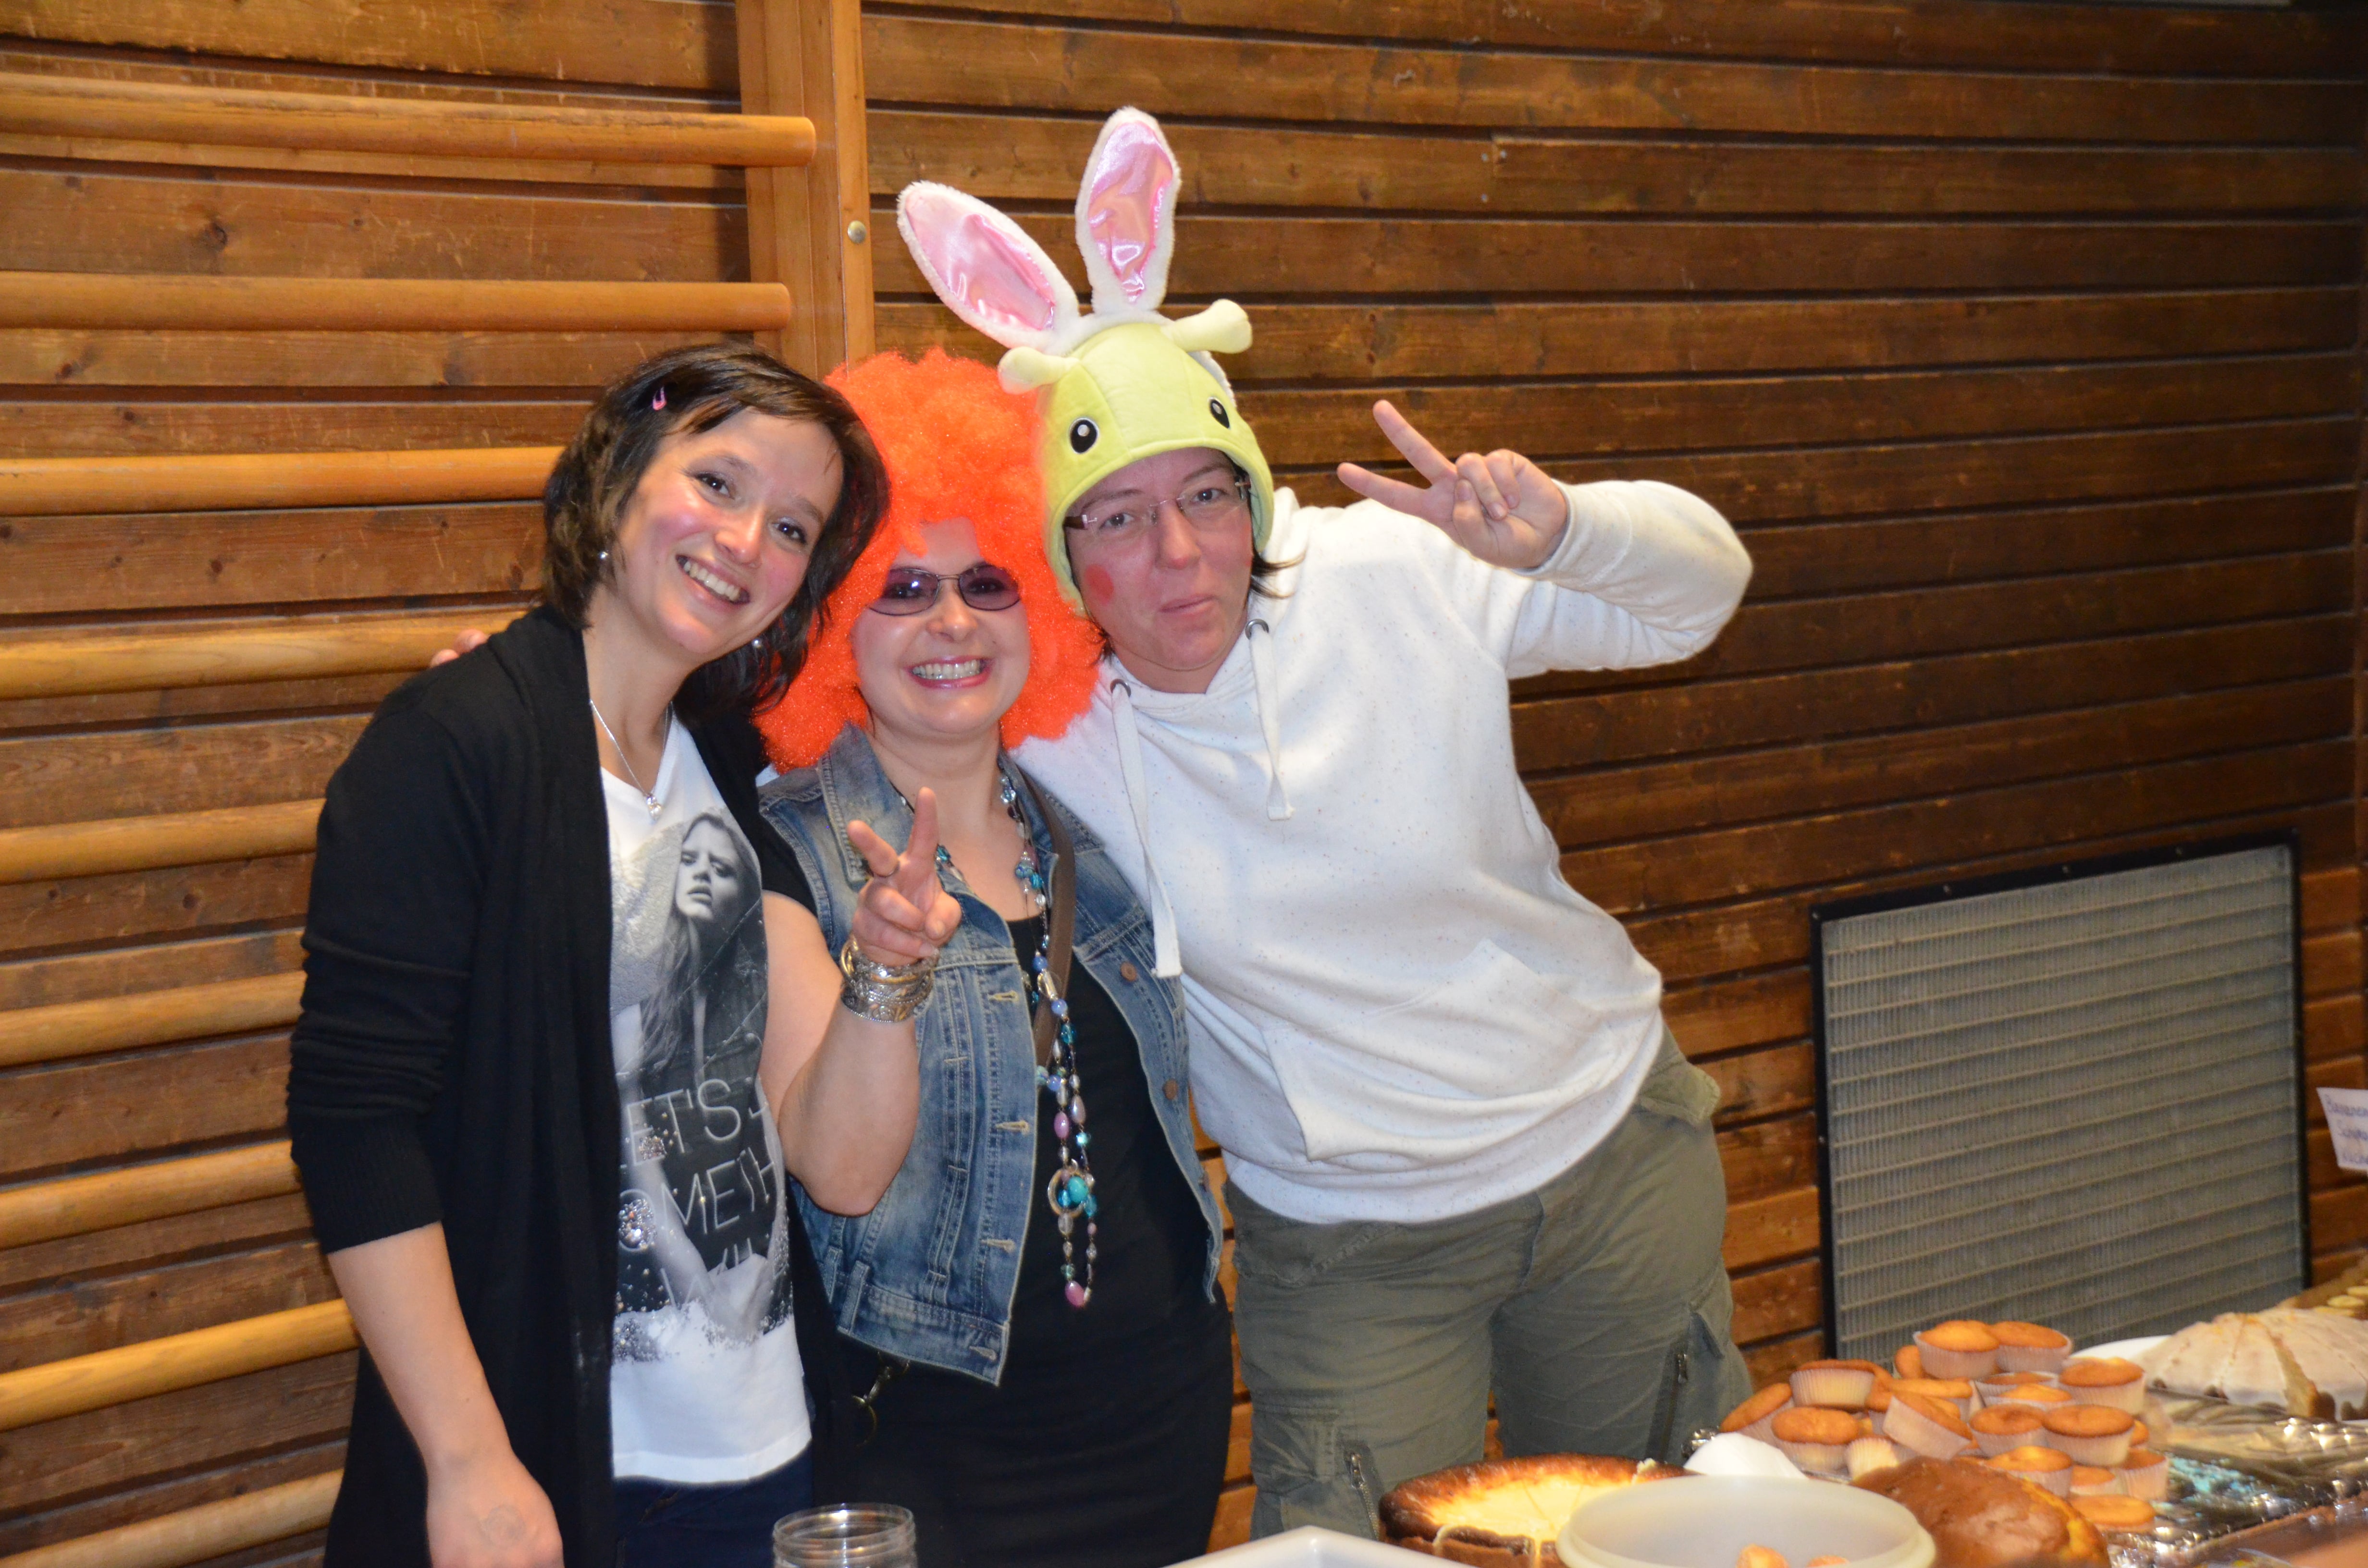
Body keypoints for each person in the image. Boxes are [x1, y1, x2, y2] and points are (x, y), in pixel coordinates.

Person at [897, 109, 1760, 1536]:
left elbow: (1703, 592)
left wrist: (1563, 532)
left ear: (1251, 487)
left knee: (1665, 1544)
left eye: (1204, 495)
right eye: (1115, 517)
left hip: (1608, 1157)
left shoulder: (1392, 573)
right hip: (1352, 1248)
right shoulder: (1047, 719)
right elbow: (855, 683)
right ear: (1060, 551)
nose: (1178, 552)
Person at [286, 343, 961, 1568]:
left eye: (793, 526)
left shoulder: (727, 765)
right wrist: (467, 1460)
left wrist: (888, 966)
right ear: (615, 480)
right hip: (561, 1472)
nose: (746, 540)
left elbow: (843, 1165)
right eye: (717, 482)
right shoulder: (456, 742)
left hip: (770, 1456)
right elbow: (353, 1126)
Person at [751, 350, 1233, 1568]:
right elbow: (840, 1175)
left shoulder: (1089, 830)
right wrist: (883, 966)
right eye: (903, 588)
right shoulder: (785, 855)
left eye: (988, 582)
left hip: (1162, 1421)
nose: (953, 622)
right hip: (942, 1458)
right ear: (833, 622)